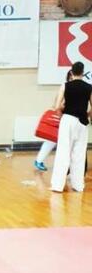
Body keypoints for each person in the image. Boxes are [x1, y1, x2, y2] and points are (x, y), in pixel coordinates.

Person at [51, 61, 92, 192]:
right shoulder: (89, 87)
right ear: (83, 72)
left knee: (63, 152)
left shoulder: (65, 85)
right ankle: (78, 185)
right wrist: (87, 114)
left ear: (71, 72)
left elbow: (57, 106)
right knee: (79, 154)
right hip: (82, 123)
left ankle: (57, 185)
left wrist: (61, 113)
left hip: (68, 120)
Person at [34, 70, 71, 172]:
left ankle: (39, 160)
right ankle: (39, 160)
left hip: (64, 117)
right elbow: (58, 105)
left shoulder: (67, 87)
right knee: (52, 140)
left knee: (53, 141)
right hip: (61, 117)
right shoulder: (65, 87)